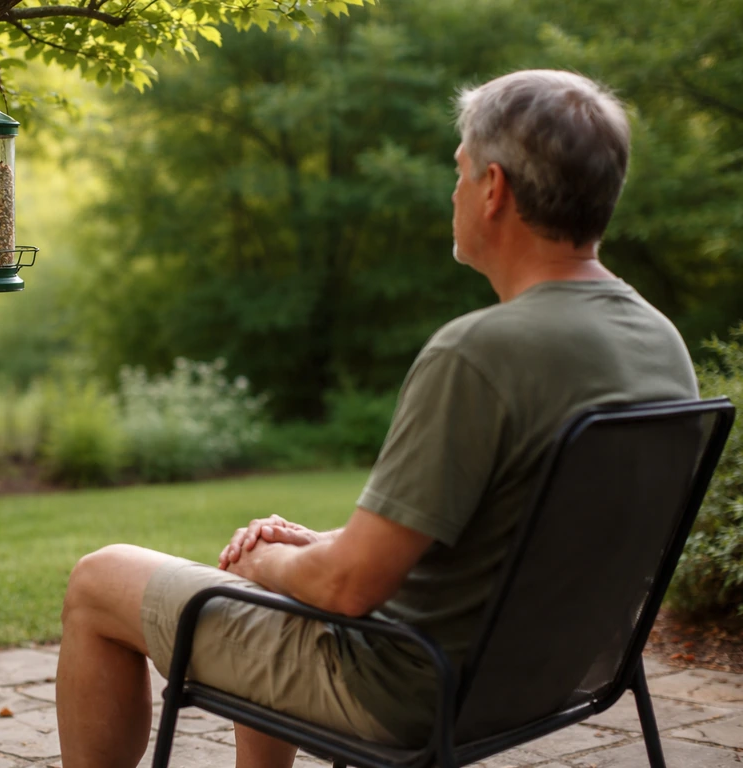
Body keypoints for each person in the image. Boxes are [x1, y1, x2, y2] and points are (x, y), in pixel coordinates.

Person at [54, 69, 699, 768]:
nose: (451, 192)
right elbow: (502, 534)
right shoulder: (660, 342)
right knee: (265, 582)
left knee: (101, 579)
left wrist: (270, 560)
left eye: (457, 171)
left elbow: (346, 588)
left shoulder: (480, 352)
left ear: (493, 189)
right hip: (555, 678)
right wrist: (317, 543)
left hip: (405, 688)